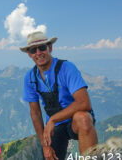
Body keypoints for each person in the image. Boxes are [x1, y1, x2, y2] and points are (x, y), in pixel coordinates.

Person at [21, 31, 98, 160]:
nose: (38, 53)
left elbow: (84, 102)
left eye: (42, 47)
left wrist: (53, 119)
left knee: (83, 118)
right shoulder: (30, 77)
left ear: (50, 47)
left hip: (73, 121)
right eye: (33, 50)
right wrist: (45, 146)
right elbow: (35, 113)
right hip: (55, 128)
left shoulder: (66, 68)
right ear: (29, 54)